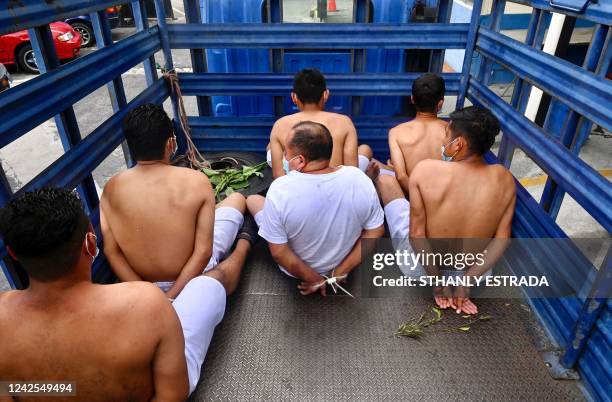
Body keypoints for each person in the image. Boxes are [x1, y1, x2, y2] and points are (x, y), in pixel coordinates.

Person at [0, 188, 190, 400]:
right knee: (206, 289)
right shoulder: (147, 303)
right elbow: (173, 394)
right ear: (90, 243)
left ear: (13, 253)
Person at [101, 104, 256, 300]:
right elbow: (203, 252)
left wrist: (150, 295)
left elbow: (111, 252)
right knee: (237, 199)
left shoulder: (110, 189)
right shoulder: (196, 181)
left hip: (143, 287)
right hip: (192, 278)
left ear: (130, 146)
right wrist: (172, 297)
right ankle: (245, 243)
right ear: (170, 144)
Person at [377, 106, 516, 314]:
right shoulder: (505, 178)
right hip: (474, 273)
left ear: (459, 143)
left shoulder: (425, 170)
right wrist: (466, 282)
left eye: (447, 135)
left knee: (386, 182)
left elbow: (416, 235)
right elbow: (502, 239)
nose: (443, 142)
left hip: (422, 269)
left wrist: (438, 284)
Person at [249, 121, 385, 295]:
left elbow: (279, 252)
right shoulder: (358, 178)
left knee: (253, 200)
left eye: (286, 153)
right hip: (340, 265)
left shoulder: (280, 189)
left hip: (294, 273)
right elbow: (376, 231)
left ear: (300, 160)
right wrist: (341, 270)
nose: (284, 157)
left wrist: (314, 279)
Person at [268, 68, 367, 178]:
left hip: (297, 190)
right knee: (365, 149)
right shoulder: (344, 122)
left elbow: (278, 176)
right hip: (335, 189)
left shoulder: (280, 125)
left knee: (269, 148)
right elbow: (352, 172)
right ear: (326, 95)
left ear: (294, 97)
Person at [385, 73, 447, 194]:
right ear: (440, 103)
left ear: (412, 98)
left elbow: (401, 177)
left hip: (413, 198)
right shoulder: (452, 130)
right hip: (443, 199)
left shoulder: (396, 132)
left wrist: (420, 200)